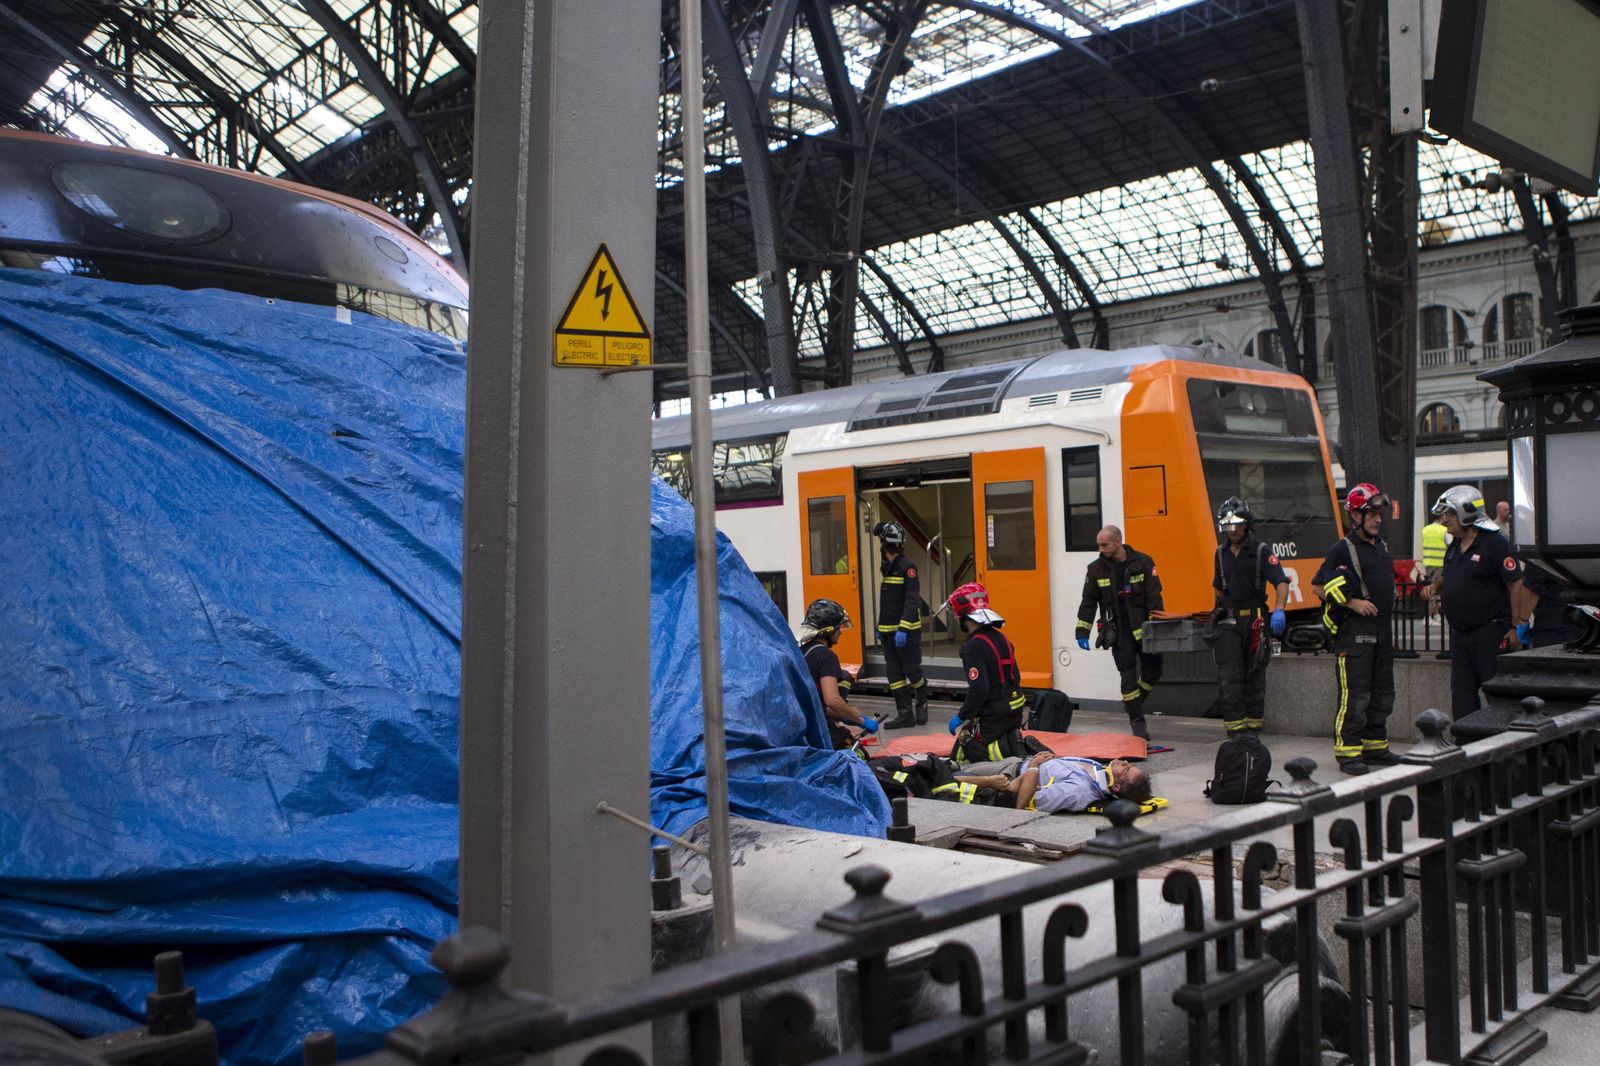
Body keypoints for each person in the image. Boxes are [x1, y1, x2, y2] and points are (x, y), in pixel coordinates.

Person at [1312, 483, 1400, 775]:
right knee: (1356, 694)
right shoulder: (1342, 548)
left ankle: (1375, 746)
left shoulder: (1380, 546)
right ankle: (1348, 752)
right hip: (1356, 634)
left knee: (1382, 692)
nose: (1377, 519)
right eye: (1370, 514)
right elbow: (1317, 586)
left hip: (1381, 632)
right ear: (1355, 516)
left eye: (1379, 514)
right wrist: (1352, 602)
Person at [1427, 486, 1528, 718]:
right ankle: (1467, 746)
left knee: (1496, 694)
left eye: (1449, 514)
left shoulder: (1495, 543)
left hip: (1490, 633)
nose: (1444, 520)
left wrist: (1515, 627)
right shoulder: (1454, 544)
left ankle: (1503, 748)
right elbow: (1451, 573)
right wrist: (1436, 586)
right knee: (1461, 694)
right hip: (1461, 635)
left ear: (1466, 513)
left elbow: (1516, 584)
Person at [1211, 497, 1290, 736]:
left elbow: (1281, 582)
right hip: (1229, 622)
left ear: (1247, 524)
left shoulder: (1261, 551)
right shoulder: (1220, 553)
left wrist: (1279, 610)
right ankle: (1236, 730)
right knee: (1230, 676)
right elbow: (1217, 588)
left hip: (1255, 621)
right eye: (1228, 526)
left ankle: (1254, 728)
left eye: (1236, 525)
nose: (1232, 531)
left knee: (1254, 675)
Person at [1075, 525, 1163, 740]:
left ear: (1118, 542)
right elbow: (1089, 602)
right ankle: (1137, 723)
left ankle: (1133, 703)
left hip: (1144, 628)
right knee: (1128, 675)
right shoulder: (1096, 569)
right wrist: (1082, 631)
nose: (1100, 548)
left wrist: (1157, 624)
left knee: (1154, 671)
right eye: (1099, 544)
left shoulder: (1143, 562)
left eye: (1104, 544)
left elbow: (1154, 596)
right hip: (1119, 632)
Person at [944, 581, 1029, 764]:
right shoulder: (1002, 638)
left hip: (993, 716)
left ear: (963, 616)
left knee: (960, 756)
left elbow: (979, 690)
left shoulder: (973, 647)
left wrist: (962, 715)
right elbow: (1016, 676)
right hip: (1014, 709)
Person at [798, 598, 878, 750]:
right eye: (838, 627)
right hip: (817, 729)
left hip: (799, 729)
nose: (841, 632)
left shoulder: (802, 652)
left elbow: (819, 704)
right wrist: (861, 720)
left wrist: (847, 716)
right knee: (857, 757)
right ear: (828, 630)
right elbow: (832, 700)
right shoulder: (826, 656)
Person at [872, 520, 928, 728]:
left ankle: (921, 704)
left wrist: (903, 627)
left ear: (885, 544)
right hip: (888, 633)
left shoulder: (907, 567)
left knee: (912, 671)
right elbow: (888, 602)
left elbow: (912, 600)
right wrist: (880, 627)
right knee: (894, 675)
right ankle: (905, 714)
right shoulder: (888, 566)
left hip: (906, 632)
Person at [1520, 564, 1579, 648]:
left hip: (1553, 626)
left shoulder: (1541, 554)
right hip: (1585, 621)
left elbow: (1531, 589)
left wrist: (1522, 622)